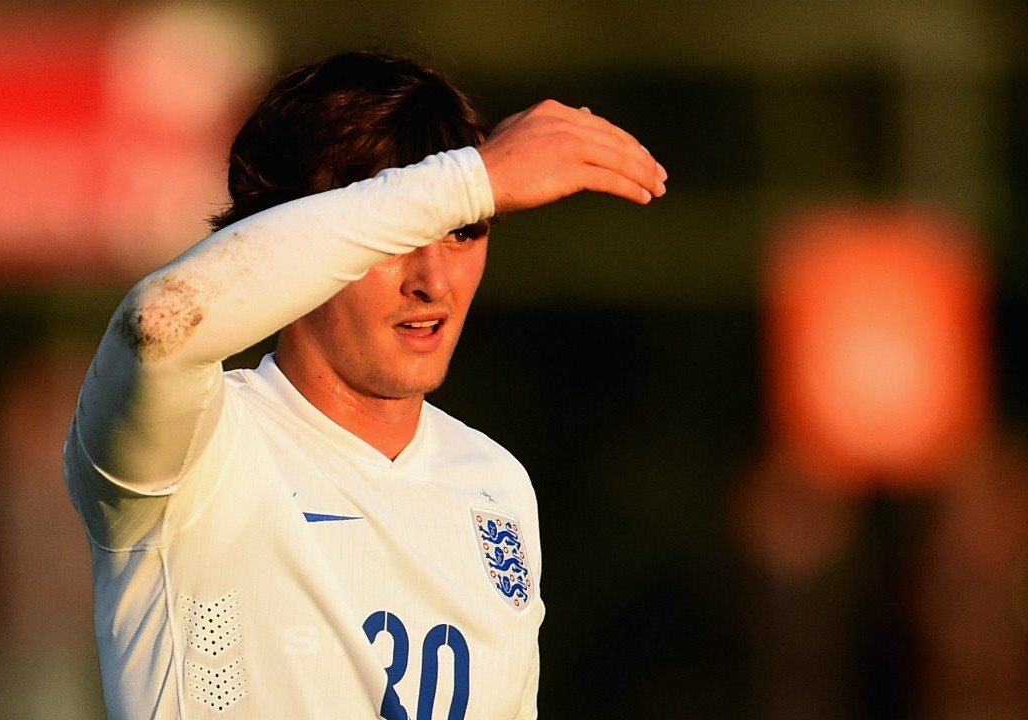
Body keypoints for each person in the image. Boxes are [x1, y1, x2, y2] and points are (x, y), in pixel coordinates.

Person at [63, 50, 666, 719]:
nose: (432, 282)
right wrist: (469, 180)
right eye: (395, 236)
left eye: (463, 231)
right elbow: (161, 323)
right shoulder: (190, 452)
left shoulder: (494, 483)